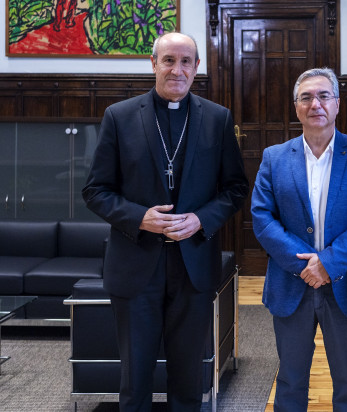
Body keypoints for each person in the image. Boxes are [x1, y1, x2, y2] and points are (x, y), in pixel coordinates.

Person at [82, 32, 248, 411]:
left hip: (193, 266)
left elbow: (236, 188)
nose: (177, 69)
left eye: (186, 61)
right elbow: (96, 190)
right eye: (169, 60)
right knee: (135, 379)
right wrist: (140, 217)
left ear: (196, 67)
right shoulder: (120, 117)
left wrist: (201, 220)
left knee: (189, 379)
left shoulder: (217, 119)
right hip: (136, 264)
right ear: (153, 63)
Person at [251, 67, 347, 412]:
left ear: (337, 104)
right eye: (306, 97)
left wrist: (327, 263)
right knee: (290, 381)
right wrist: (306, 265)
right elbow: (262, 219)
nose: (316, 104)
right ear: (296, 107)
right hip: (291, 285)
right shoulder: (274, 157)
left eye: (324, 95)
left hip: (346, 285)